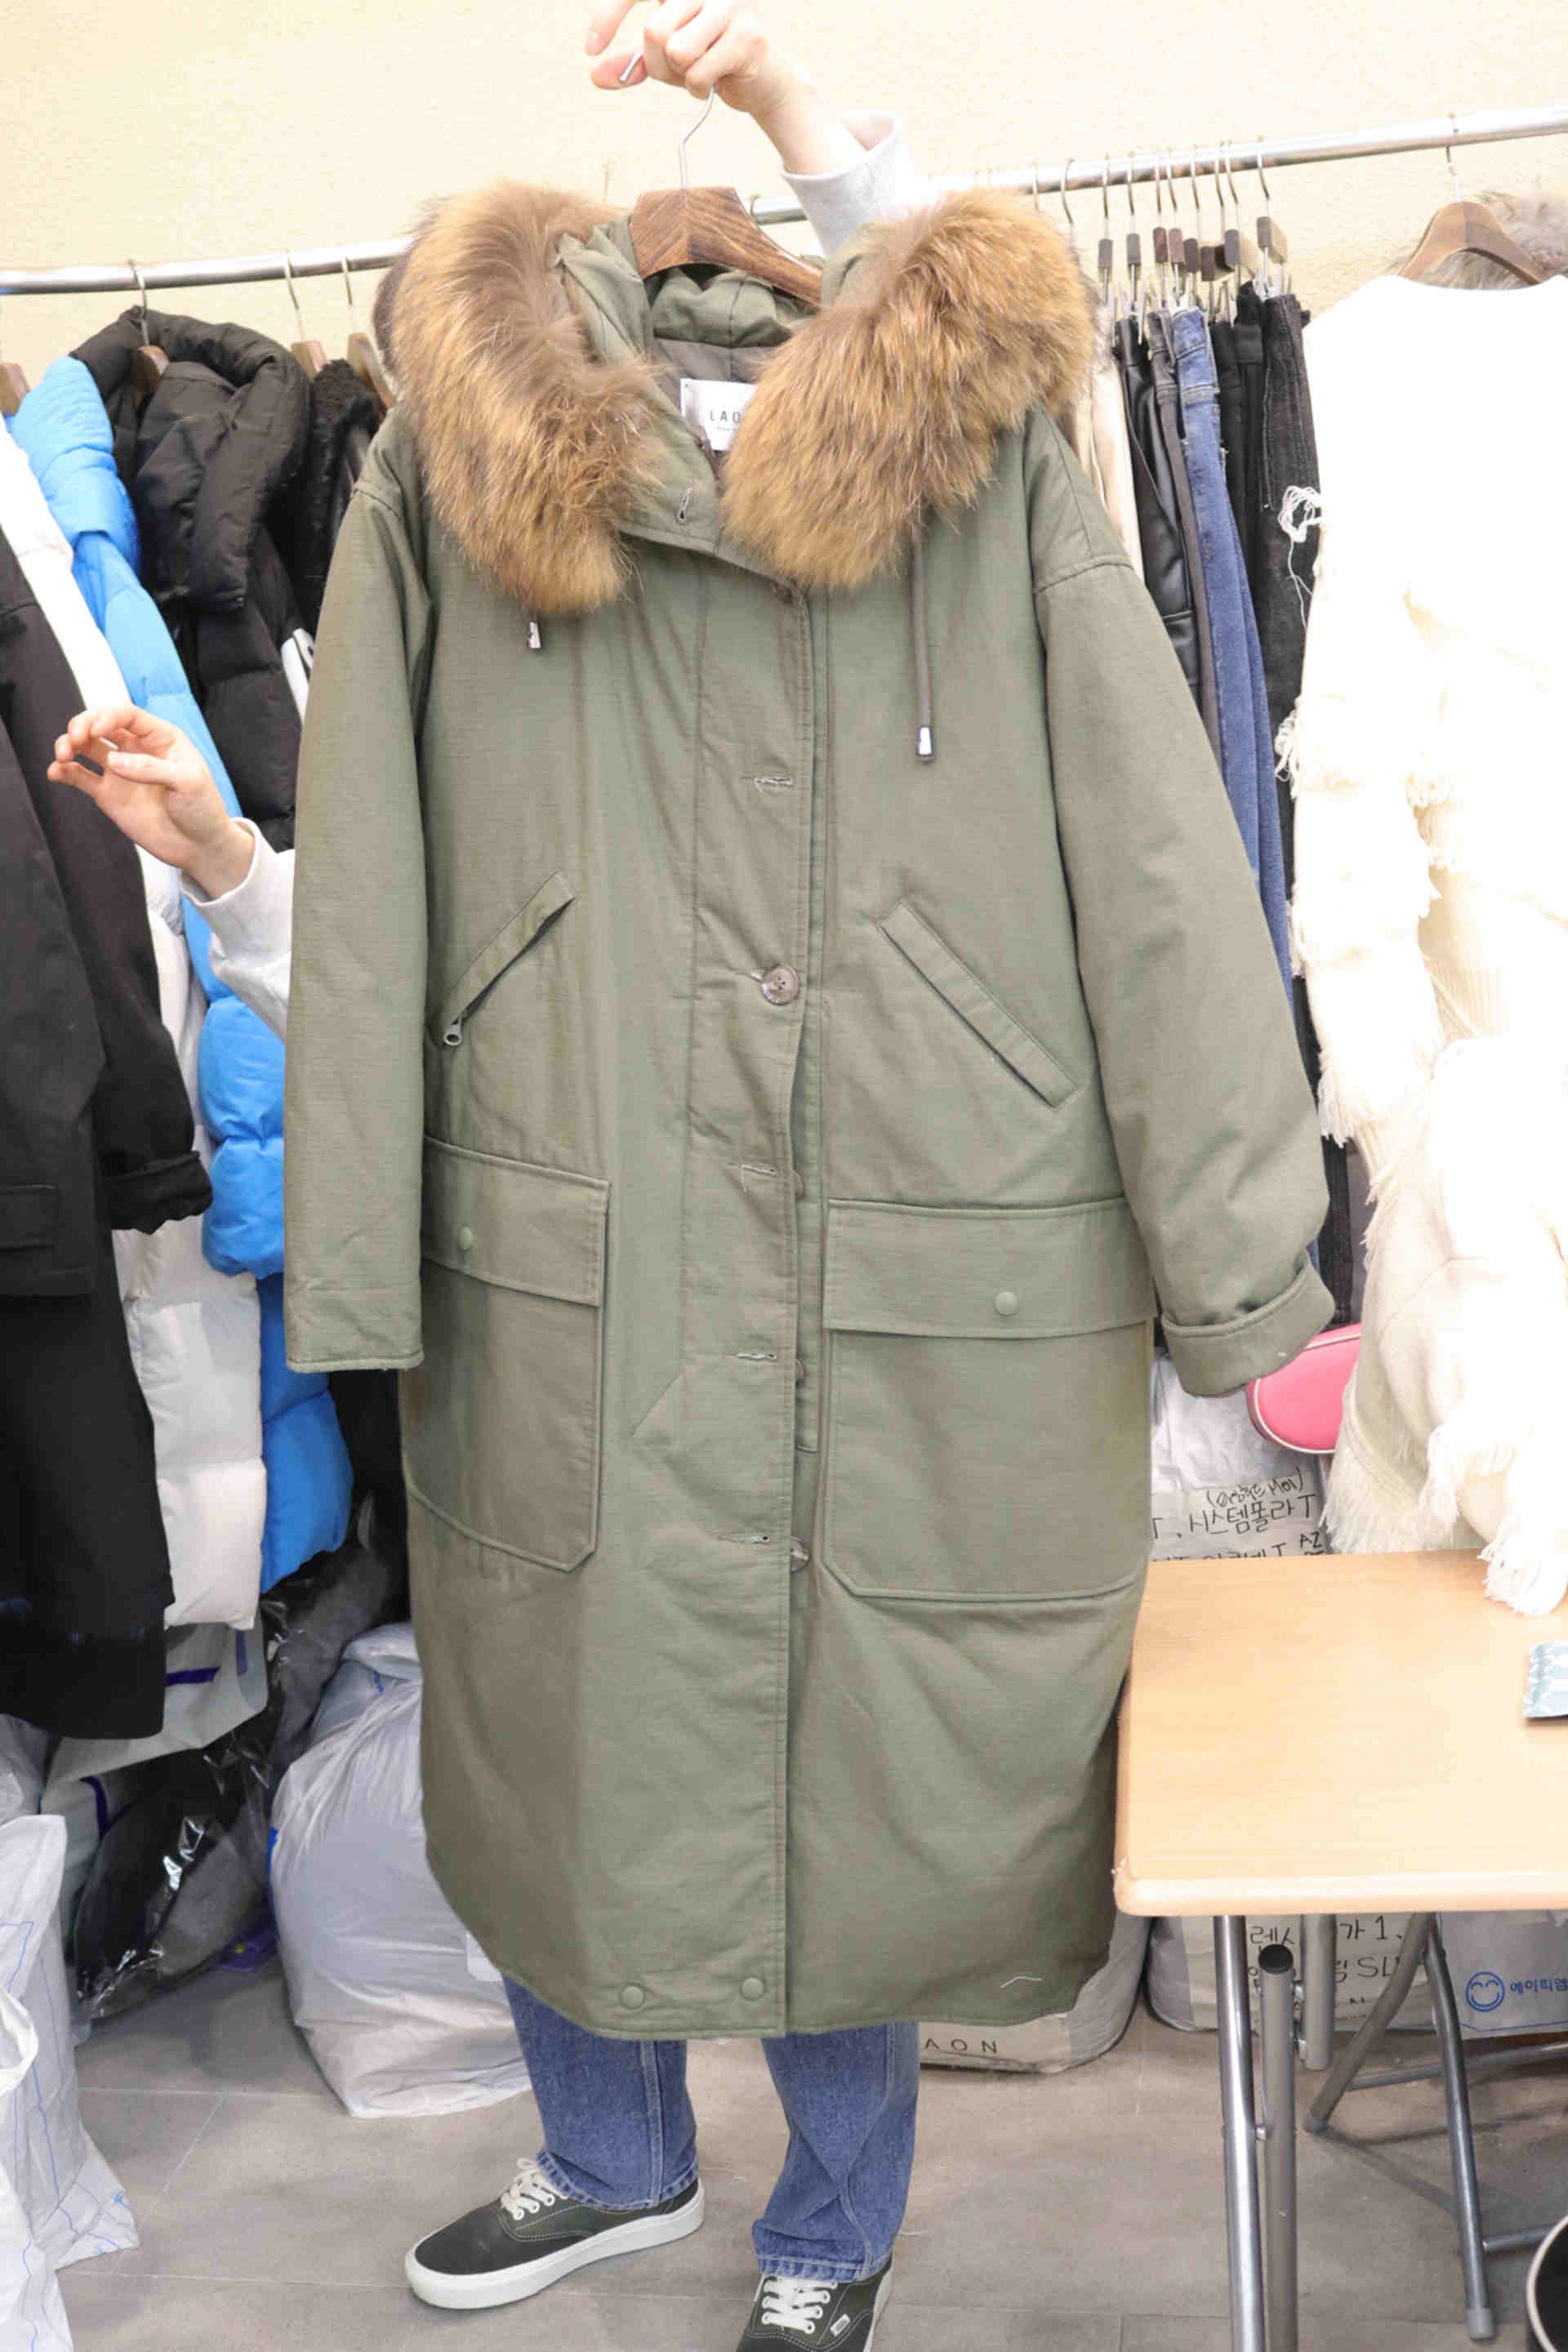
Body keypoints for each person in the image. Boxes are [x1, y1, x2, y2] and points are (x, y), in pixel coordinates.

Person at [49, 16, 936, 2350]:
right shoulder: (454, 538)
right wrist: (229, 860)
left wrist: (799, 124)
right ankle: (613, 2158)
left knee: (806, 1754)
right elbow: (407, 938)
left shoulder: (887, 533)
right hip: (543, 1271)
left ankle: (836, 2224)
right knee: (546, 1737)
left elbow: (970, 361)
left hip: (816, 1248)